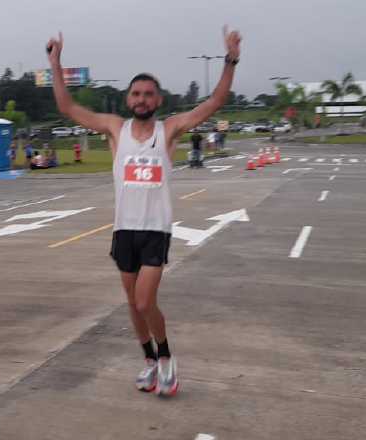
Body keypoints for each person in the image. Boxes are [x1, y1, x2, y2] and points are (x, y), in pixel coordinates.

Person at [47, 26, 240, 396]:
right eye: (136, 93)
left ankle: (167, 358)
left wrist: (230, 59)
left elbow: (214, 102)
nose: (141, 98)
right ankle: (149, 362)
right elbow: (67, 107)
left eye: (148, 94)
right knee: (133, 307)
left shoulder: (169, 130)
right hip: (124, 231)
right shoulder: (114, 129)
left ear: (159, 100)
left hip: (155, 230)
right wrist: (55, 63)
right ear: (128, 98)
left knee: (144, 300)